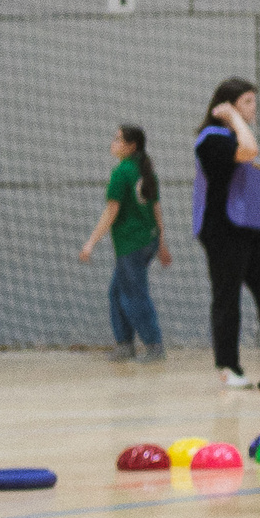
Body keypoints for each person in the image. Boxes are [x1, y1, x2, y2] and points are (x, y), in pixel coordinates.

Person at [193, 78, 260, 388]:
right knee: (227, 298)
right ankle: (228, 367)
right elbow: (248, 150)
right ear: (228, 105)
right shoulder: (212, 138)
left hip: (253, 230)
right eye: (247, 101)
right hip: (223, 230)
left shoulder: (237, 136)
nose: (253, 107)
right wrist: (233, 118)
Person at [79, 123, 169, 362]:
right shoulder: (145, 171)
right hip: (147, 240)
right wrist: (161, 242)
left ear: (132, 146)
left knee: (134, 295)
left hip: (131, 244)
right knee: (117, 292)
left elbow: (111, 212)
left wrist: (90, 243)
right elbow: (156, 209)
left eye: (118, 139)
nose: (113, 143)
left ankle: (153, 345)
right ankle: (125, 345)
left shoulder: (121, 172)